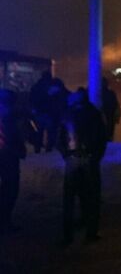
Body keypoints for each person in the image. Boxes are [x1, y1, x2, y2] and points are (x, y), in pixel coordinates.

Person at [57, 90, 107, 245]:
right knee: (91, 197)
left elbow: (59, 139)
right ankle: (91, 233)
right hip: (89, 160)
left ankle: (67, 236)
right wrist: (96, 157)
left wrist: (66, 155)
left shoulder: (67, 114)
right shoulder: (94, 114)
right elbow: (102, 138)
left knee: (69, 199)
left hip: (72, 160)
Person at [0, 89, 26, 234]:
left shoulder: (9, 115)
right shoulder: (10, 115)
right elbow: (13, 136)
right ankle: (5, 221)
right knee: (9, 189)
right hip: (8, 156)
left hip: (6, 154)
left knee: (7, 189)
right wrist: (20, 150)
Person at [29, 71, 53, 153]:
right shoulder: (49, 87)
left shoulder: (36, 87)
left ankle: (38, 147)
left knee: (39, 131)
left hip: (39, 112)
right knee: (49, 131)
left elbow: (31, 99)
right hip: (47, 112)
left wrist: (33, 109)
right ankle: (48, 148)